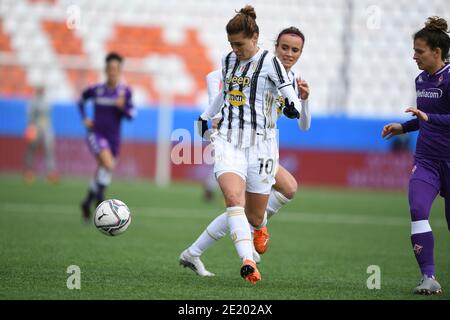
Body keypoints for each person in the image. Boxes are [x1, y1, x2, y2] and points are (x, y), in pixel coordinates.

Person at [179, 6, 304, 285]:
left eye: (240, 44)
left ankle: (258, 227)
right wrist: (204, 116)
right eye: (231, 44)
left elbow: (287, 91)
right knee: (233, 199)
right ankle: (248, 261)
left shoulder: (269, 62)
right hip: (229, 140)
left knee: (255, 213)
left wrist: (295, 106)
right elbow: (223, 93)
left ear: (255, 37)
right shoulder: (227, 60)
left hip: (261, 147)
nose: (235, 49)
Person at [382, 16, 450, 295]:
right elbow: (425, 118)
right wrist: (404, 127)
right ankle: (429, 277)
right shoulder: (421, 79)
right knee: (418, 210)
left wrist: (429, 117)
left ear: (436, 52)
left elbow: (433, 117)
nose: (414, 56)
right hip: (426, 161)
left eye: (419, 51)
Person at [79, 52, 135, 223]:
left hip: (114, 139)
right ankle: (100, 202)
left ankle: (87, 202)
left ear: (119, 71)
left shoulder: (125, 92)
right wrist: (84, 118)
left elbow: (131, 114)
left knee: (104, 169)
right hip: (96, 134)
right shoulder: (96, 90)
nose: (112, 72)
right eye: (110, 68)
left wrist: (122, 108)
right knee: (108, 164)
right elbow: (80, 101)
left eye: (115, 69)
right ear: (106, 70)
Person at [23, 86, 59, 183]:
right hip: (35, 126)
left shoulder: (47, 101)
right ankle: (29, 171)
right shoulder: (33, 101)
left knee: (49, 149)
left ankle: (50, 172)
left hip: (46, 127)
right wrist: (30, 127)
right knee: (32, 149)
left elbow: (48, 115)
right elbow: (29, 116)